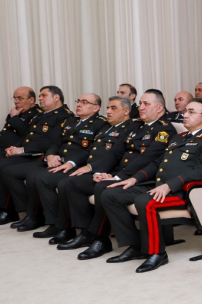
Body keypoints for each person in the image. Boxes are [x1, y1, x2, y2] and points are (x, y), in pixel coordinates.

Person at [99, 99, 202, 273]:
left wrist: (169, 186)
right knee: (111, 195)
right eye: (185, 111)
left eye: (191, 112)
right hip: (158, 184)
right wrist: (134, 179)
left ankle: (157, 253)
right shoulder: (180, 137)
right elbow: (158, 162)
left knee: (145, 202)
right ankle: (136, 245)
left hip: (183, 192)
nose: (185, 115)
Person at [66, 91, 176, 258]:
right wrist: (100, 172)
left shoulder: (164, 130)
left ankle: (101, 239)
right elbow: (116, 153)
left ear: (159, 108)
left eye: (146, 104)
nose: (141, 107)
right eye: (141, 103)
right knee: (72, 183)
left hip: (141, 177)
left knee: (104, 188)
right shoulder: (136, 126)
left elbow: (147, 159)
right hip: (120, 172)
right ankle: (86, 233)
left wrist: (118, 178)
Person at [33, 96, 135, 244]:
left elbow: (116, 155)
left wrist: (92, 168)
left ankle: (85, 232)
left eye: (113, 108)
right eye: (108, 108)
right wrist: (73, 163)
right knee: (63, 182)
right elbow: (90, 150)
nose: (108, 111)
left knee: (69, 184)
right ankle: (72, 229)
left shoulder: (130, 128)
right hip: (93, 167)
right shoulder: (107, 127)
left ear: (126, 111)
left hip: (109, 171)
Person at [2, 94, 107, 233]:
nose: (79, 104)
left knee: (42, 179)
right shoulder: (70, 121)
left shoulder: (101, 124)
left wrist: (71, 162)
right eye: (78, 101)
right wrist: (51, 155)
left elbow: (91, 150)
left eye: (85, 102)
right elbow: (56, 143)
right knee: (31, 176)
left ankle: (58, 224)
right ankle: (38, 217)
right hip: (58, 160)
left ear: (96, 108)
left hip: (76, 165)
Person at [0, 86, 76, 227]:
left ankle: (26, 212)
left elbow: (51, 142)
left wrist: (22, 150)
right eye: (40, 96)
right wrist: (15, 148)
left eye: (44, 95)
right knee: (3, 164)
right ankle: (14, 210)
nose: (40, 98)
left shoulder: (64, 116)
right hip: (31, 153)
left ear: (56, 97)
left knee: (6, 168)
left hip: (41, 155)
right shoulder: (42, 115)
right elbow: (28, 136)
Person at [0, 87, 41, 218]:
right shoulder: (17, 113)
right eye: (15, 98)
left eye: (20, 98)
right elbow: (2, 134)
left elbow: (28, 134)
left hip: (10, 153)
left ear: (31, 100)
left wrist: (14, 118)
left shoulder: (37, 115)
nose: (16, 101)